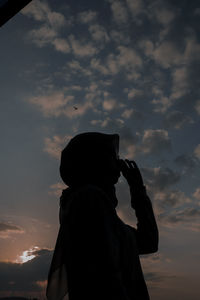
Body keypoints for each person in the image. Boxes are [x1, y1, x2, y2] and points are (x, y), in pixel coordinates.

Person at [46, 132, 159, 300]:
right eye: (113, 157)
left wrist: (137, 190)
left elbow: (148, 242)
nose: (119, 168)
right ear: (95, 161)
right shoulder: (89, 199)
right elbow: (106, 276)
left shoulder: (104, 213)